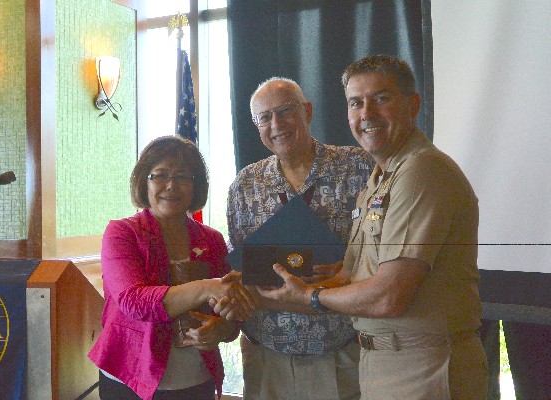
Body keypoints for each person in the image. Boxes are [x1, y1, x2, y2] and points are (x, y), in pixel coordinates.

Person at [257, 55, 489, 399]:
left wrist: (310, 295)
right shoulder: (380, 179)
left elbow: (390, 296)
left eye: (381, 98)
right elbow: (349, 274)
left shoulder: (422, 171)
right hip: (383, 361)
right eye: (356, 102)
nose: (366, 113)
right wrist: (268, 290)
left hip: (424, 365)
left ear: (413, 104)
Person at [218, 77, 373, 400]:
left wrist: (345, 270)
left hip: (341, 354)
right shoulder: (245, 187)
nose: (276, 124)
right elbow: (242, 267)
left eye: (286, 111)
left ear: (308, 111)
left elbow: (381, 260)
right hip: (267, 356)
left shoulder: (359, 168)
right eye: (265, 117)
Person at [88, 135, 255, 400]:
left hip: (195, 381)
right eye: (160, 175)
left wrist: (219, 330)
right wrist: (206, 287)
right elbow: (134, 302)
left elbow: (231, 319)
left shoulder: (211, 240)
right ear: (144, 181)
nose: (171, 185)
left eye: (182, 177)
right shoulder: (122, 233)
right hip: (131, 380)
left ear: (195, 185)